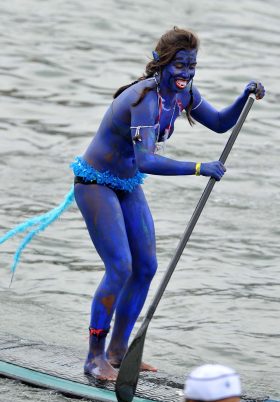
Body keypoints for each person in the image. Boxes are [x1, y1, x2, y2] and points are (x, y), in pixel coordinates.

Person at [0, 27, 265, 381]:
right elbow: (146, 161)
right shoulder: (144, 101)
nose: (186, 73)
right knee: (120, 267)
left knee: (146, 267)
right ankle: (94, 358)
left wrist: (244, 96)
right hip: (95, 184)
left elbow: (218, 123)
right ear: (161, 64)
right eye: (179, 66)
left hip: (125, 184)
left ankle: (119, 353)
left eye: (192, 66)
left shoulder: (182, 96)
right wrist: (199, 167)